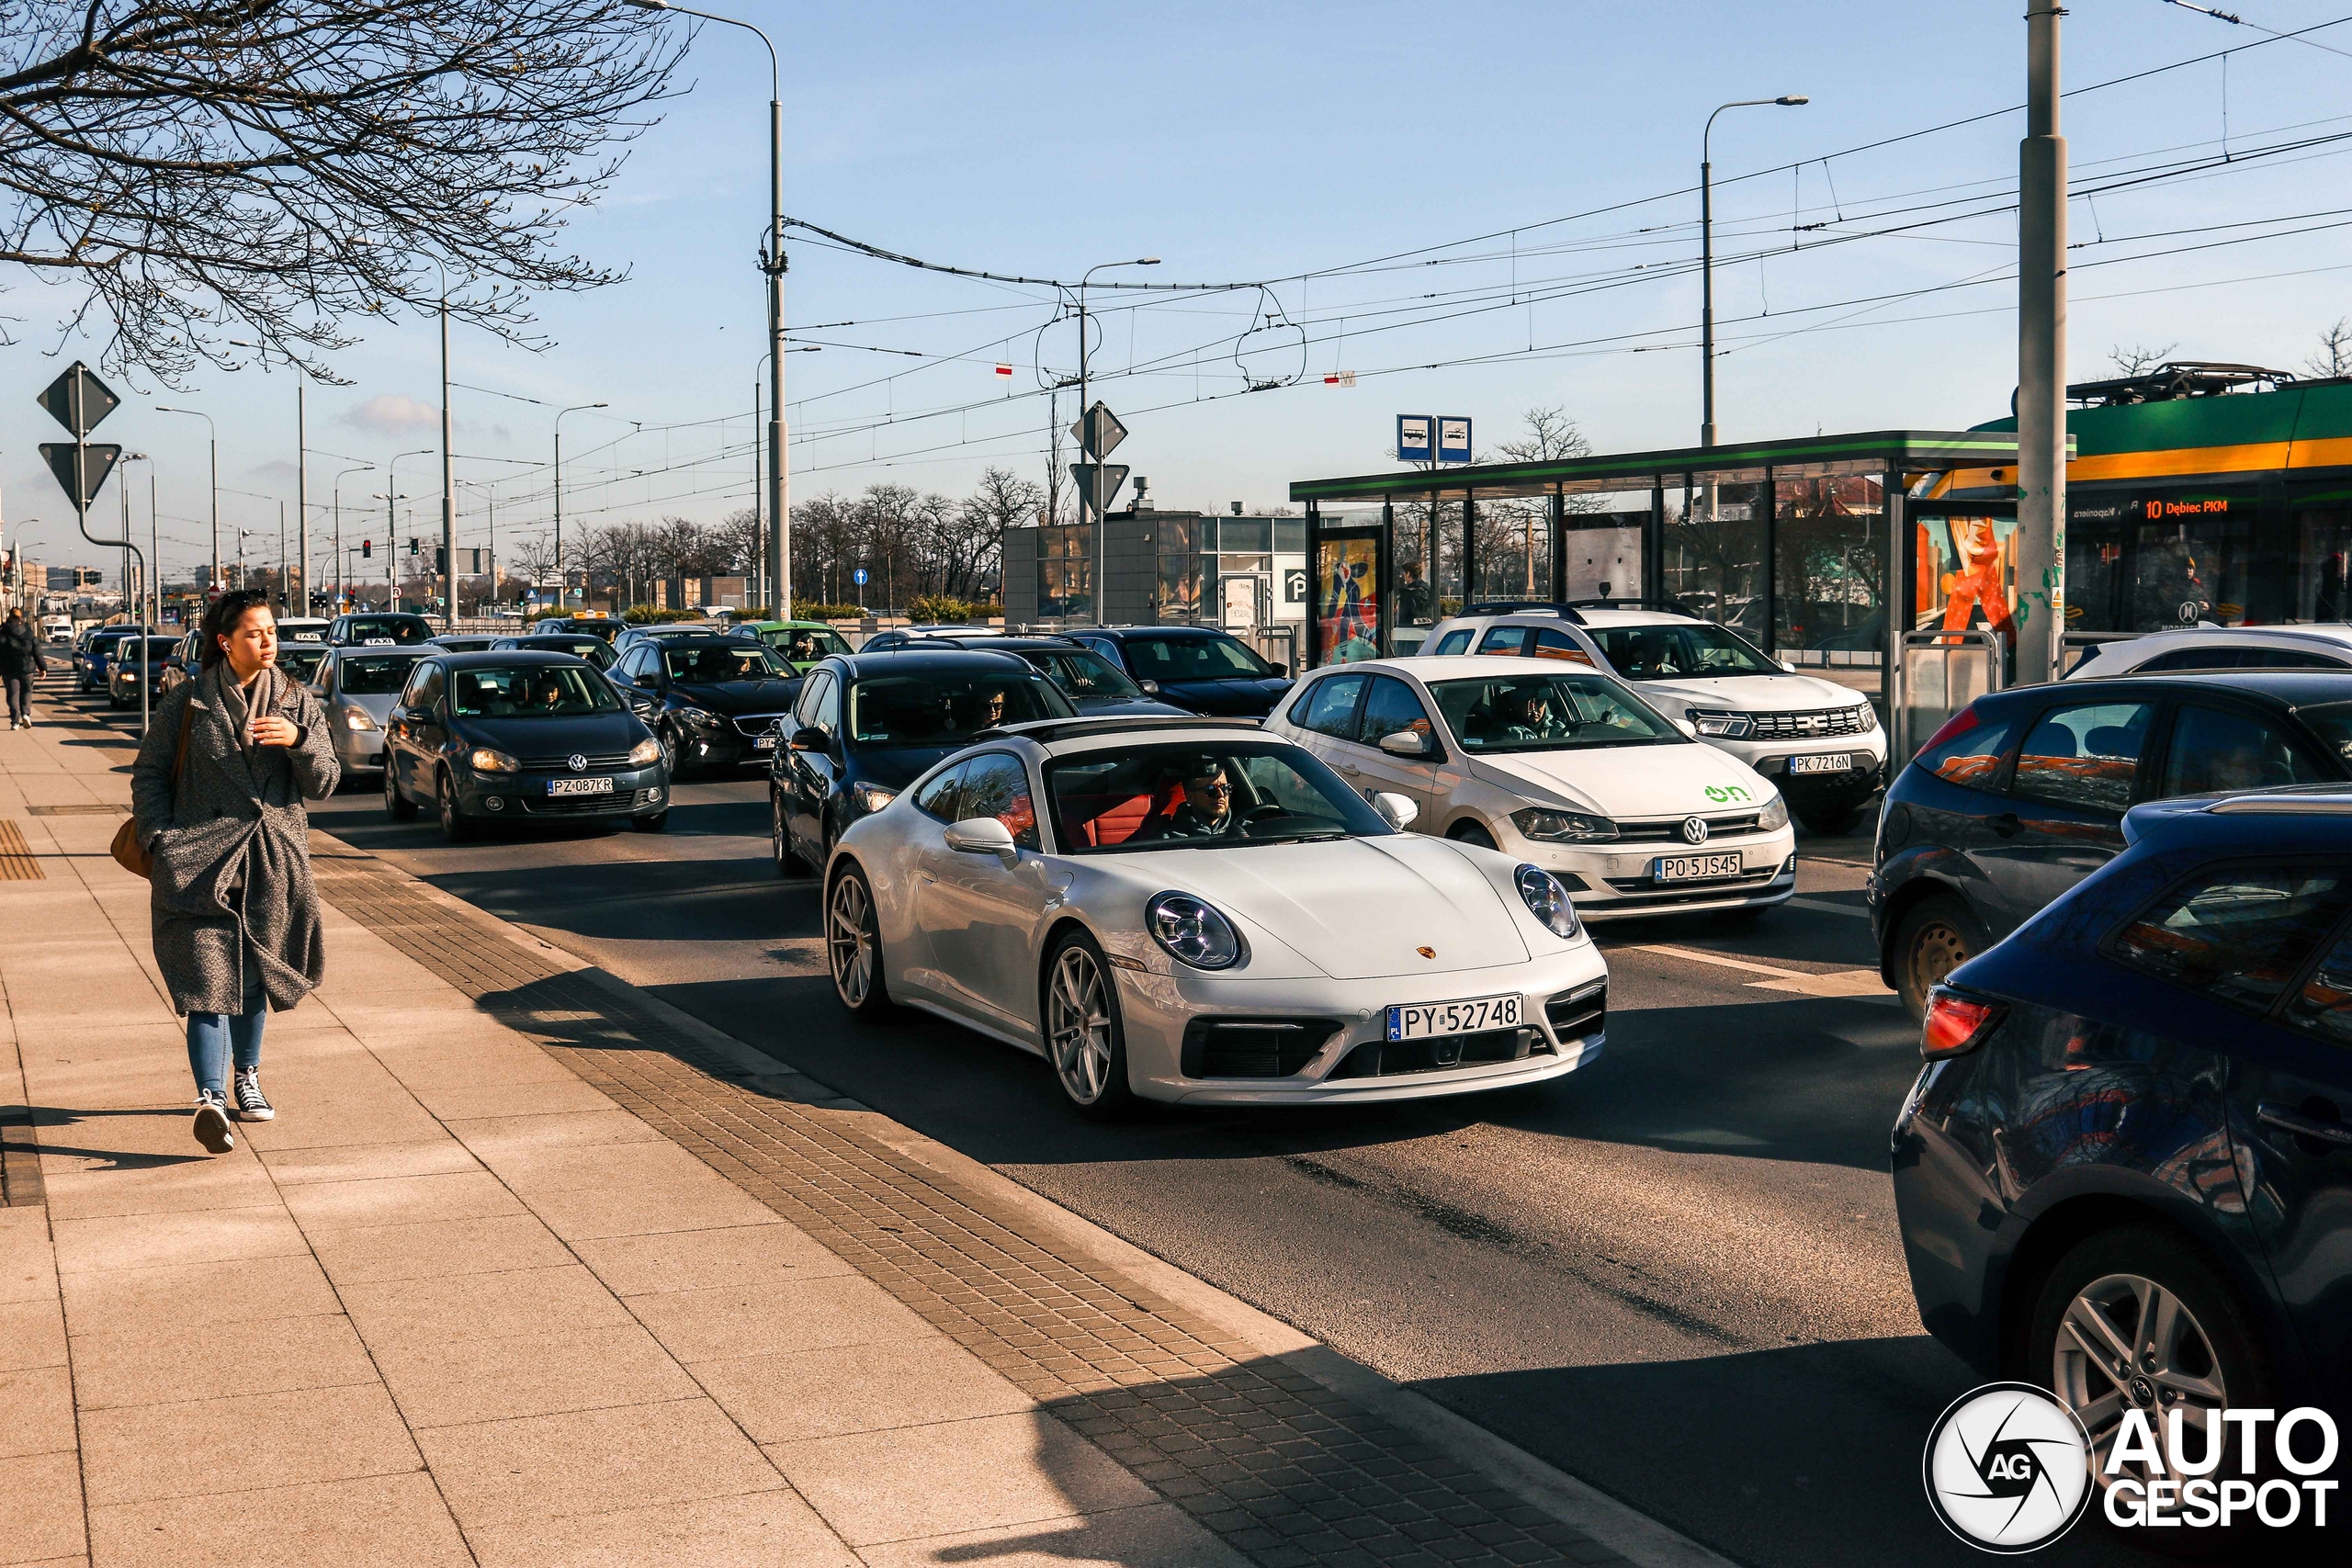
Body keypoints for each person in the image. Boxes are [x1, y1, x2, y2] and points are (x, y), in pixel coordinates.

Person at [130, 590, 339, 1154]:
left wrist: (298, 743)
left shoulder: (298, 703)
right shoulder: (187, 703)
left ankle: (246, 1075)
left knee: (252, 978)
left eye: (271, 631)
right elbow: (148, 774)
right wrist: (160, 839)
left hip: (271, 859)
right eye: (255, 632)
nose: (268, 641)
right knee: (205, 984)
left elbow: (325, 782)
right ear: (226, 641)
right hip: (197, 864)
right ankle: (211, 1098)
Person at [1158, 761, 1237, 839]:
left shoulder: (1244, 832)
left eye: (1225, 788)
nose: (1221, 795)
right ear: (1190, 797)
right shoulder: (1170, 841)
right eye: (1210, 789)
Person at [0, 608, 47, 729]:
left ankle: (15, 722)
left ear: (9, 616)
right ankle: (26, 714)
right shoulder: (28, 632)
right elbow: (37, 651)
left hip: (9, 669)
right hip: (28, 668)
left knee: (13, 695)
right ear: (21, 617)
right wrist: (42, 667)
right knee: (27, 692)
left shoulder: (3, 632)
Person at [1494, 682, 1573, 744]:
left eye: (1539, 702)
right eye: (1527, 702)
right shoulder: (1505, 731)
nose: (1534, 708)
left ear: (1545, 703)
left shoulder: (1560, 727)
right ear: (1517, 704)